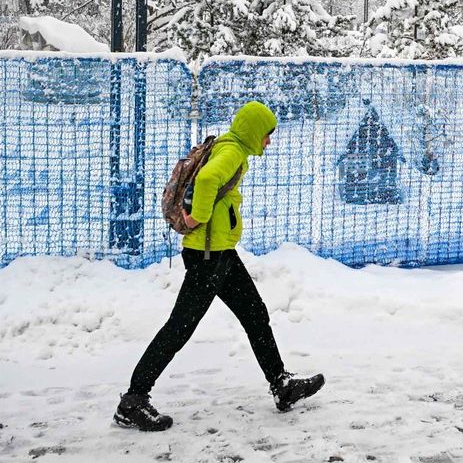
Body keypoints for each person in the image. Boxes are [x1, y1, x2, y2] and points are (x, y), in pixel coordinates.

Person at [115, 101, 324, 432]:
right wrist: (196, 216)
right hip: (207, 257)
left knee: (255, 314)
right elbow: (209, 179)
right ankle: (133, 400)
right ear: (254, 131)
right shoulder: (233, 153)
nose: (268, 142)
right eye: (267, 135)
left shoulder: (229, 145)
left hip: (220, 253)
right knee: (179, 327)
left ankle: (281, 385)